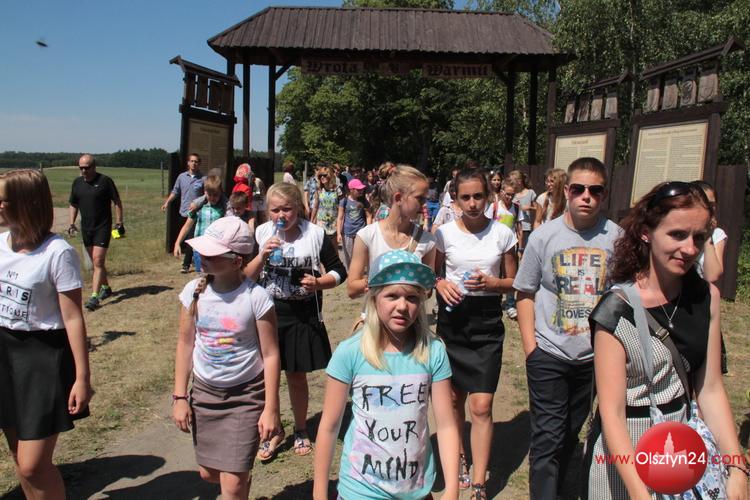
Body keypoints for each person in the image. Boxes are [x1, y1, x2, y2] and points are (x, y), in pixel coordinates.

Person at [585, 181, 748, 499]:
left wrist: (736, 466)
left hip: (680, 449)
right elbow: (613, 414)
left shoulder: (706, 298)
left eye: (699, 237)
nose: (690, 249)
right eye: (677, 234)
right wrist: (639, 492)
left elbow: (710, 388)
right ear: (646, 232)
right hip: (625, 456)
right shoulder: (616, 310)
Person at [513, 157, 621, 499]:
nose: (586, 196)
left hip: (594, 357)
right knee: (548, 435)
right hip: (549, 352)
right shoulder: (544, 237)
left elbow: (623, 295)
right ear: (567, 191)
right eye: (578, 189)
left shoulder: (617, 238)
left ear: (604, 195)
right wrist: (531, 348)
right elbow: (524, 292)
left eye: (595, 190)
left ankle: (556, 486)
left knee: (571, 430)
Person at [313, 250, 460, 500]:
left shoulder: (433, 351)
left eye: (412, 298)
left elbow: (446, 425)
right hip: (360, 490)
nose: (402, 306)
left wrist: (452, 488)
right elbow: (329, 427)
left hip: (415, 489)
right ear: (373, 298)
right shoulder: (350, 352)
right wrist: (319, 493)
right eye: (392, 296)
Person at [172, 216, 281, 499]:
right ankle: (241, 480)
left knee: (231, 485)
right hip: (205, 395)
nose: (202, 257)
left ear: (236, 261)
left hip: (246, 396)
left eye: (212, 254)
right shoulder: (193, 293)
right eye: (202, 252)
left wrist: (271, 408)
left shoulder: (256, 298)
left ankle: (239, 482)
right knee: (209, 474)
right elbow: (185, 344)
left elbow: (271, 354)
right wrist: (180, 397)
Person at [0, 169, 92, 499]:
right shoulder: (1, 243)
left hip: (42, 358)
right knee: (18, 456)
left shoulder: (57, 252)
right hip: (4, 353)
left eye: (3, 199)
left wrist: (82, 377)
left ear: (27, 203)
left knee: (32, 465)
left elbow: (73, 317)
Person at [246, 182, 347, 460]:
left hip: (301, 313)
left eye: (287, 209)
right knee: (266, 376)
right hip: (267, 313)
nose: (281, 215)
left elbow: (339, 271)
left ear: (298, 209)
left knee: (295, 374)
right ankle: (273, 429)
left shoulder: (314, 234)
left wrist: (319, 282)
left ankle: (301, 428)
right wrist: (262, 255)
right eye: (275, 210)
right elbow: (245, 276)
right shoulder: (261, 233)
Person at [434, 169, 518, 499]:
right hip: (452, 322)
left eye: (478, 196)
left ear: (488, 197)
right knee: (454, 399)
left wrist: (493, 283)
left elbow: (514, 281)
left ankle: (480, 481)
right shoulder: (443, 235)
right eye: (465, 197)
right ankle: (459, 458)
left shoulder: (502, 234)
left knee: (481, 405)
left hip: (486, 324)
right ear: (455, 199)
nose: (472, 203)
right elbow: (432, 275)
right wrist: (440, 284)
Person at [347, 165, 436, 299]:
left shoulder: (427, 240)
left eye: (425, 199)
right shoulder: (367, 235)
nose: (424, 205)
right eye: (420, 198)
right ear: (398, 198)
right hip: (376, 312)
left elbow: (428, 291)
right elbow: (352, 289)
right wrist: (381, 279)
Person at [68, 154, 124, 311]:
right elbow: (73, 204)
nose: (83, 171)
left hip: (103, 227)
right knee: (95, 262)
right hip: (87, 228)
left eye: (86, 168)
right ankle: (105, 287)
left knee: (98, 261)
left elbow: (117, 202)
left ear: (94, 167)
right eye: (81, 168)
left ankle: (94, 297)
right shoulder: (77, 183)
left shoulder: (105, 181)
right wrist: (71, 223)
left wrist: (119, 222)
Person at [693, 180, 729, 374]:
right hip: (676, 301)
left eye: (712, 204)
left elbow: (712, 274)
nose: (708, 208)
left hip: (702, 304)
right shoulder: (681, 232)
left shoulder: (717, 235)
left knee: (705, 367)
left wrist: (707, 237)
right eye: (703, 203)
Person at [161, 153, 205, 274]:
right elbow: (175, 191)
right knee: (184, 236)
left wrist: (198, 204)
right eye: (192, 161)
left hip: (196, 213)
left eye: (196, 161)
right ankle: (190, 258)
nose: (194, 163)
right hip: (183, 211)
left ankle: (186, 264)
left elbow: (206, 195)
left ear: (199, 164)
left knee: (191, 238)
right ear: (188, 163)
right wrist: (167, 203)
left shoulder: (203, 178)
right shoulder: (181, 177)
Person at [173, 176, 225, 273]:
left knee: (215, 276)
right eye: (210, 195)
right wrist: (177, 243)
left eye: (215, 195)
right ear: (205, 192)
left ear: (220, 193)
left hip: (216, 249)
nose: (212, 198)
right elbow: (187, 226)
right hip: (199, 249)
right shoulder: (198, 208)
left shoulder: (223, 210)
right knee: (201, 275)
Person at [337, 178, 371, 269]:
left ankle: (359, 271)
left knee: (360, 254)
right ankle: (351, 272)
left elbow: (369, 216)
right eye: (358, 189)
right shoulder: (344, 201)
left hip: (360, 232)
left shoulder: (364, 201)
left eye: (362, 189)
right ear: (351, 190)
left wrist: (368, 230)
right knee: (349, 255)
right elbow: (340, 217)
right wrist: (338, 233)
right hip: (347, 232)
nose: (361, 191)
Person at [310, 166, 342, 249]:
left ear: (330, 175)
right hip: (321, 223)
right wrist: (311, 221)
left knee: (334, 250)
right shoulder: (319, 189)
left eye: (324, 175)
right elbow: (315, 207)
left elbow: (341, 209)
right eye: (320, 176)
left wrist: (340, 225)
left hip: (333, 224)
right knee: (321, 249)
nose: (322, 177)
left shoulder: (337, 189)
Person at [507, 170, 536, 253]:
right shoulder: (512, 194)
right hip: (514, 228)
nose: (510, 183)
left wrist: (529, 207)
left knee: (524, 251)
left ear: (519, 181)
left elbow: (538, 208)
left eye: (512, 181)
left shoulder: (530, 193)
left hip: (526, 227)